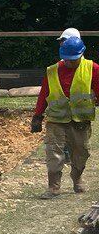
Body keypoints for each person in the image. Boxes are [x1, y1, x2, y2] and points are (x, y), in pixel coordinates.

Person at [31, 35, 94, 198]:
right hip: (56, 119)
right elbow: (44, 93)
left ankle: (77, 177)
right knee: (54, 152)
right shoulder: (52, 70)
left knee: (81, 153)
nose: (70, 63)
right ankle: (54, 187)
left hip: (80, 120)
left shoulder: (92, 68)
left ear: (82, 54)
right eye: (67, 59)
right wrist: (38, 115)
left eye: (74, 59)